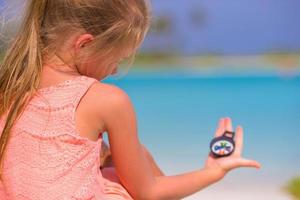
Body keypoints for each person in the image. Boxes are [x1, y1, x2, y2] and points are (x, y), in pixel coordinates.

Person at [0, 0, 261, 199]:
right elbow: (149, 191)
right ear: (84, 45)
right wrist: (213, 171)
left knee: (114, 159)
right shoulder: (107, 100)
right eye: (117, 60)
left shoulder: (9, 87)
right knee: (127, 173)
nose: (114, 71)